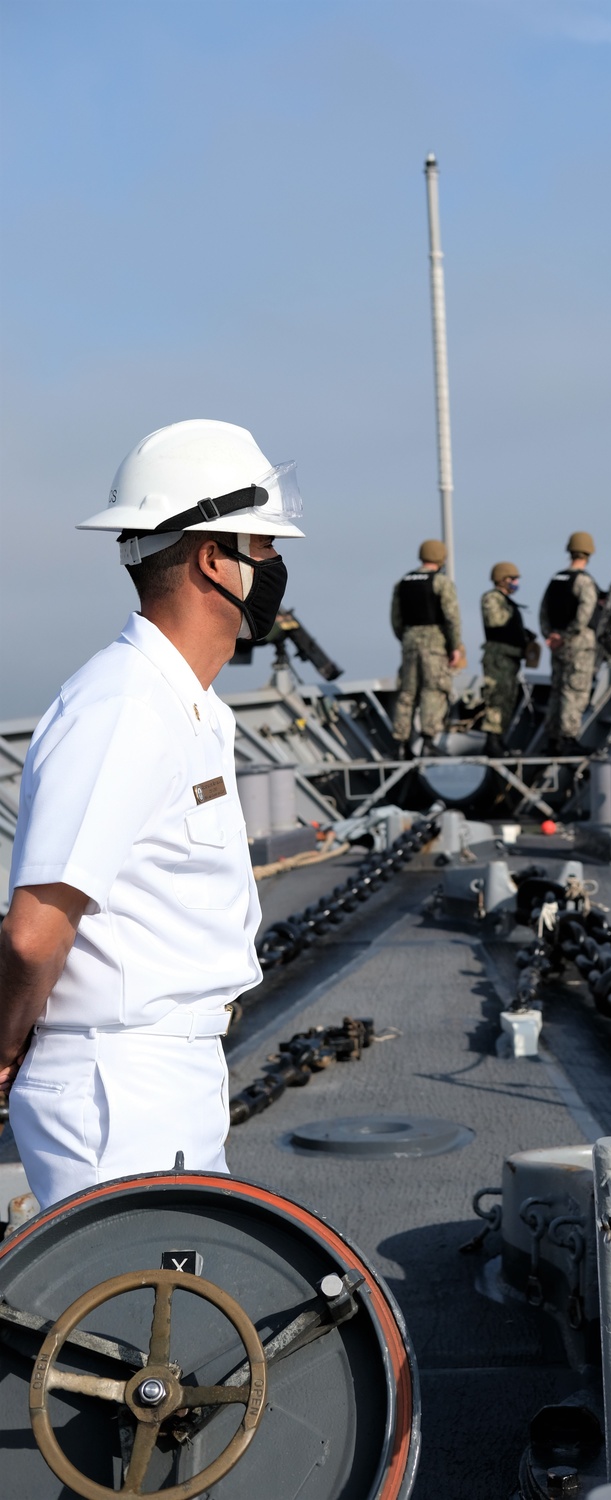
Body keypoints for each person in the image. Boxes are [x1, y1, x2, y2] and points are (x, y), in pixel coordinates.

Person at [0, 418, 304, 1210]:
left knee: (176, 1316)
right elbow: (35, 930)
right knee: (130, 1328)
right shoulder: (124, 707)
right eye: (264, 547)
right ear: (215, 558)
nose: (275, 566)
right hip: (119, 1088)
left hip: (168, 1075)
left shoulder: (190, 708)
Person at [390, 540, 463, 755]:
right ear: (441, 558)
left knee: (407, 692)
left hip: (410, 642)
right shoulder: (442, 583)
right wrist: (454, 646)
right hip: (435, 642)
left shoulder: (402, 582)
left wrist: (407, 639)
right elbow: (452, 617)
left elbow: (396, 619)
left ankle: (402, 744)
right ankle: (428, 742)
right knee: (434, 690)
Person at [539, 531, 600, 754]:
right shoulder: (584, 582)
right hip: (578, 645)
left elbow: (543, 611)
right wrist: (567, 635)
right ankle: (568, 738)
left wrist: (551, 635)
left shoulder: (556, 579)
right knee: (574, 690)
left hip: (557, 645)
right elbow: (585, 614)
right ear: (589, 552)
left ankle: (553, 739)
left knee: (557, 689)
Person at [480, 562, 537, 756]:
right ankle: (491, 741)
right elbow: (496, 621)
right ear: (502, 580)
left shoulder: (507, 601)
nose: (516, 583)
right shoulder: (492, 598)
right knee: (497, 697)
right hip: (499, 657)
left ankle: (499, 739)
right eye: (512, 579)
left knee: (508, 699)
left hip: (511, 657)